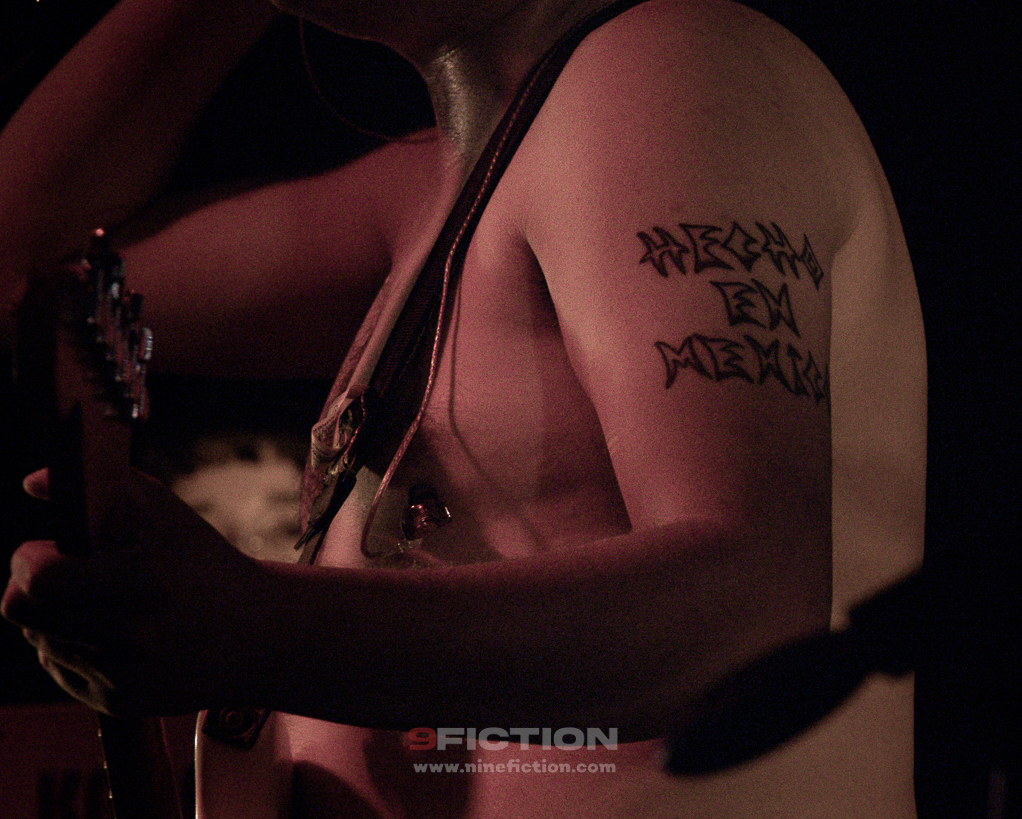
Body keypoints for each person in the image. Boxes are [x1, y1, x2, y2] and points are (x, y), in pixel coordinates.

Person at [0, 0, 926, 815]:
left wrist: (254, 628)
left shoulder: (658, 69)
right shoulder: (440, 194)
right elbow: (25, 272)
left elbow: (749, 609)